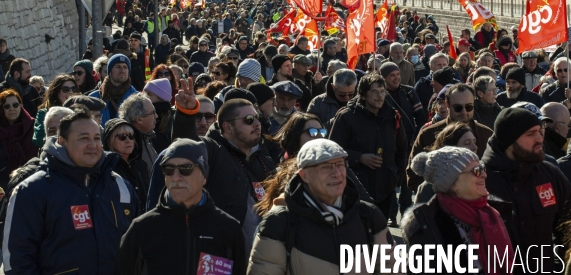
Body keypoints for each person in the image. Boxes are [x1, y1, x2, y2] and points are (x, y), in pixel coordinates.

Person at [2, 107, 139, 275]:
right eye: (83, 138)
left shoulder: (119, 185)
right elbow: (17, 260)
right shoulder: (32, 190)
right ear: (61, 141)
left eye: (97, 138)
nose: (92, 145)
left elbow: (138, 247)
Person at [147, 91, 277, 257]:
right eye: (249, 120)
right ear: (227, 127)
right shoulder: (214, 151)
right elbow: (186, 148)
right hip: (219, 255)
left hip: (261, 260)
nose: (257, 124)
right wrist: (186, 115)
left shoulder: (264, 159)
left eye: (257, 118)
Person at [247, 139, 394, 274]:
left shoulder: (368, 216)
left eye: (340, 165)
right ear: (304, 175)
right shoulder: (279, 222)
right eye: (326, 167)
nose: (336, 173)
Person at [116, 139, 246, 275]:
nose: (176, 177)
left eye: (186, 169)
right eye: (169, 169)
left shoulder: (229, 229)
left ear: (204, 176)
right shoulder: (142, 228)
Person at [482, 107, 571, 272]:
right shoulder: (481, 180)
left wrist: (559, 267)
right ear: (509, 141)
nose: (540, 138)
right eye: (530, 134)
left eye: (540, 131)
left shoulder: (549, 175)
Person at [403, 146, 515, 273]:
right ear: (453, 184)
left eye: (482, 168)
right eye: (476, 170)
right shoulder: (429, 228)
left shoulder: (495, 213)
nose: (484, 174)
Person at [329, 73, 408, 217]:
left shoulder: (392, 116)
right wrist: (359, 157)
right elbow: (333, 151)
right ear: (363, 95)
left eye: (382, 91)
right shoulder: (347, 117)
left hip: (386, 186)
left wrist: (397, 176)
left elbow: (402, 148)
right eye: (374, 92)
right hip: (354, 188)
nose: (379, 96)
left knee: (380, 233)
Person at [407, 83, 493, 192]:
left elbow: (497, 172)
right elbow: (413, 173)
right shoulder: (428, 134)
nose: (464, 112)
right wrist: (436, 196)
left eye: (469, 107)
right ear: (447, 105)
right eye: (458, 108)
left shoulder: (487, 135)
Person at [103, 118, 150, 210]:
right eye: (122, 137)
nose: (128, 140)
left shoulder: (141, 165)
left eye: (131, 136)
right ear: (110, 141)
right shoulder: (108, 168)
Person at [0, 89, 38, 190]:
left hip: (33, 185)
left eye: (15, 105)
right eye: (7, 106)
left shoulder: (33, 126)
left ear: (21, 106)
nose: (12, 109)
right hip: (4, 189)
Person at [89, 54, 138, 126]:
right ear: (110, 71)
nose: (122, 70)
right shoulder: (93, 98)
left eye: (125, 67)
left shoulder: (136, 98)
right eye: (118, 67)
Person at [32, 74, 80, 148]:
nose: (71, 92)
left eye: (74, 89)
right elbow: (38, 139)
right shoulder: (44, 113)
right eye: (66, 89)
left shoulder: (81, 112)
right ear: (56, 91)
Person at [118, 93, 159, 176]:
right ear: (139, 119)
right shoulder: (127, 145)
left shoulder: (147, 137)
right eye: (153, 112)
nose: (156, 116)